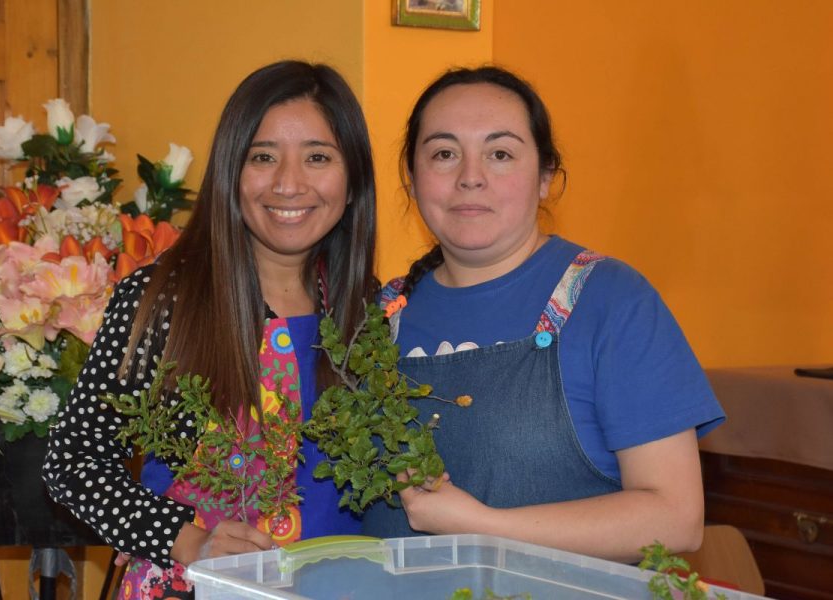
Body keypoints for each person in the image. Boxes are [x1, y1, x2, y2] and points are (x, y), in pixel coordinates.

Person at [361, 66, 725, 563]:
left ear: (545, 178)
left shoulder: (613, 301)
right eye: (444, 154)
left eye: (500, 154)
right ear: (411, 177)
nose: (471, 177)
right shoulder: (378, 319)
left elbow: (676, 518)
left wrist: (481, 528)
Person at [43, 60, 377, 599]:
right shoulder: (164, 300)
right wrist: (189, 541)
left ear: (354, 179)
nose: (289, 184)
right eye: (263, 157)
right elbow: (74, 460)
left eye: (318, 157)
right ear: (229, 174)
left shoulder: (369, 311)